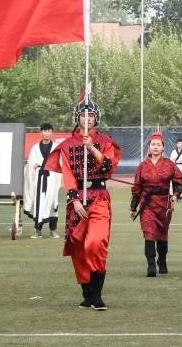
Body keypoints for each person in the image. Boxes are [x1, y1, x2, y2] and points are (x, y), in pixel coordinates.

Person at [45, 93, 121, 311]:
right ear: (77, 118)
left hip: (99, 198)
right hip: (77, 199)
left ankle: (97, 294)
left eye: (91, 115)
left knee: (95, 243)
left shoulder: (105, 142)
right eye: (83, 115)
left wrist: (92, 148)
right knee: (78, 247)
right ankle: (87, 295)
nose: (87, 119)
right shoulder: (68, 145)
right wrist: (74, 199)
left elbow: (108, 167)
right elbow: (67, 174)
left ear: (96, 119)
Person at [130, 130, 182, 277]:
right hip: (147, 204)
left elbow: (181, 181)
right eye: (153, 144)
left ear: (163, 147)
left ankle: (162, 261)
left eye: (158, 145)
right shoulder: (142, 166)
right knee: (149, 233)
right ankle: (151, 265)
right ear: (149, 147)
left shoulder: (169, 164)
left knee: (162, 234)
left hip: (164, 204)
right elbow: (136, 187)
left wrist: (175, 195)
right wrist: (133, 206)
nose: (155, 147)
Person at [24, 123, 62, 238]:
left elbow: (59, 163)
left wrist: (41, 164)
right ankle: (37, 230)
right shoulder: (35, 148)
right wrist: (36, 167)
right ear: (41, 132)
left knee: (52, 202)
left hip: (51, 178)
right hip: (39, 179)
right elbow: (31, 164)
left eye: (49, 131)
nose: (47, 133)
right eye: (44, 131)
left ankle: (53, 230)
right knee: (38, 203)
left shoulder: (56, 147)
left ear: (52, 132)